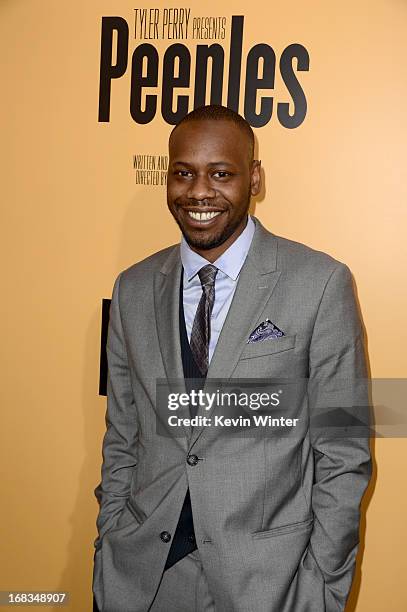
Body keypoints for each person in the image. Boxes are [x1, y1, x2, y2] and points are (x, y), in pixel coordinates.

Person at [92, 104, 371, 612]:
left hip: (270, 584)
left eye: (221, 173)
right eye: (184, 173)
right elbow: (123, 435)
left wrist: (323, 587)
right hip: (142, 580)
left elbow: (345, 448)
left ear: (255, 178)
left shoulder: (321, 283)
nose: (200, 192)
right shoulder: (131, 289)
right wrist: (110, 535)